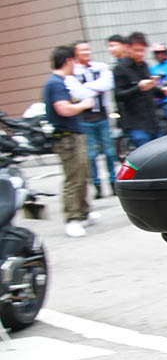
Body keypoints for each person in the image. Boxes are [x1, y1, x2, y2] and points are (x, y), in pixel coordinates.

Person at [43, 46, 96, 238]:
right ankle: (73, 219)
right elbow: (63, 109)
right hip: (67, 138)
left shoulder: (59, 82)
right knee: (74, 178)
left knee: (82, 175)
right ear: (67, 61)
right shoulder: (56, 83)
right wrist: (84, 105)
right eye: (74, 61)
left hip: (72, 136)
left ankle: (83, 213)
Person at [67, 41, 118, 199]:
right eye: (82, 50)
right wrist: (95, 87)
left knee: (110, 151)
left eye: (88, 49)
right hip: (85, 118)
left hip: (102, 115)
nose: (86, 52)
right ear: (75, 53)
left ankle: (113, 181)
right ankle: (97, 185)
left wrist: (86, 87)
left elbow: (107, 84)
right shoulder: (73, 71)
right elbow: (76, 92)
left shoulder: (100, 66)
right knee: (91, 154)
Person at [113, 32, 162, 149]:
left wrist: (162, 91)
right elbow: (118, 95)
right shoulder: (120, 69)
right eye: (137, 50)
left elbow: (150, 90)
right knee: (145, 157)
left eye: (143, 51)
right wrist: (138, 88)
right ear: (128, 48)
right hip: (135, 123)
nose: (140, 54)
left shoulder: (144, 66)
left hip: (152, 121)